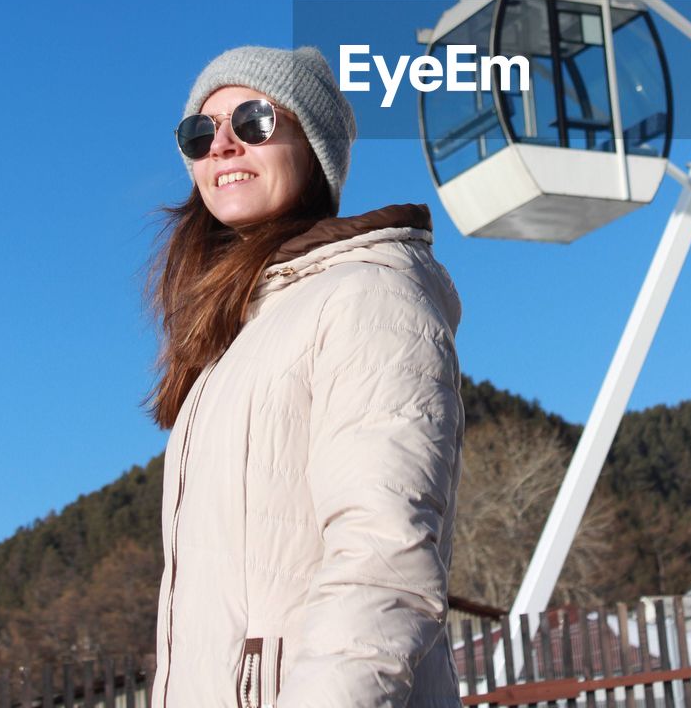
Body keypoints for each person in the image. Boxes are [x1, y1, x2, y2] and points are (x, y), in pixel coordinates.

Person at [147, 45, 464, 708]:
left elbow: (383, 557)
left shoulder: (368, 296)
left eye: (256, 121)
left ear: (314, 149)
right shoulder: (232, 344)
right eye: (200, 134)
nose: (223, 145)